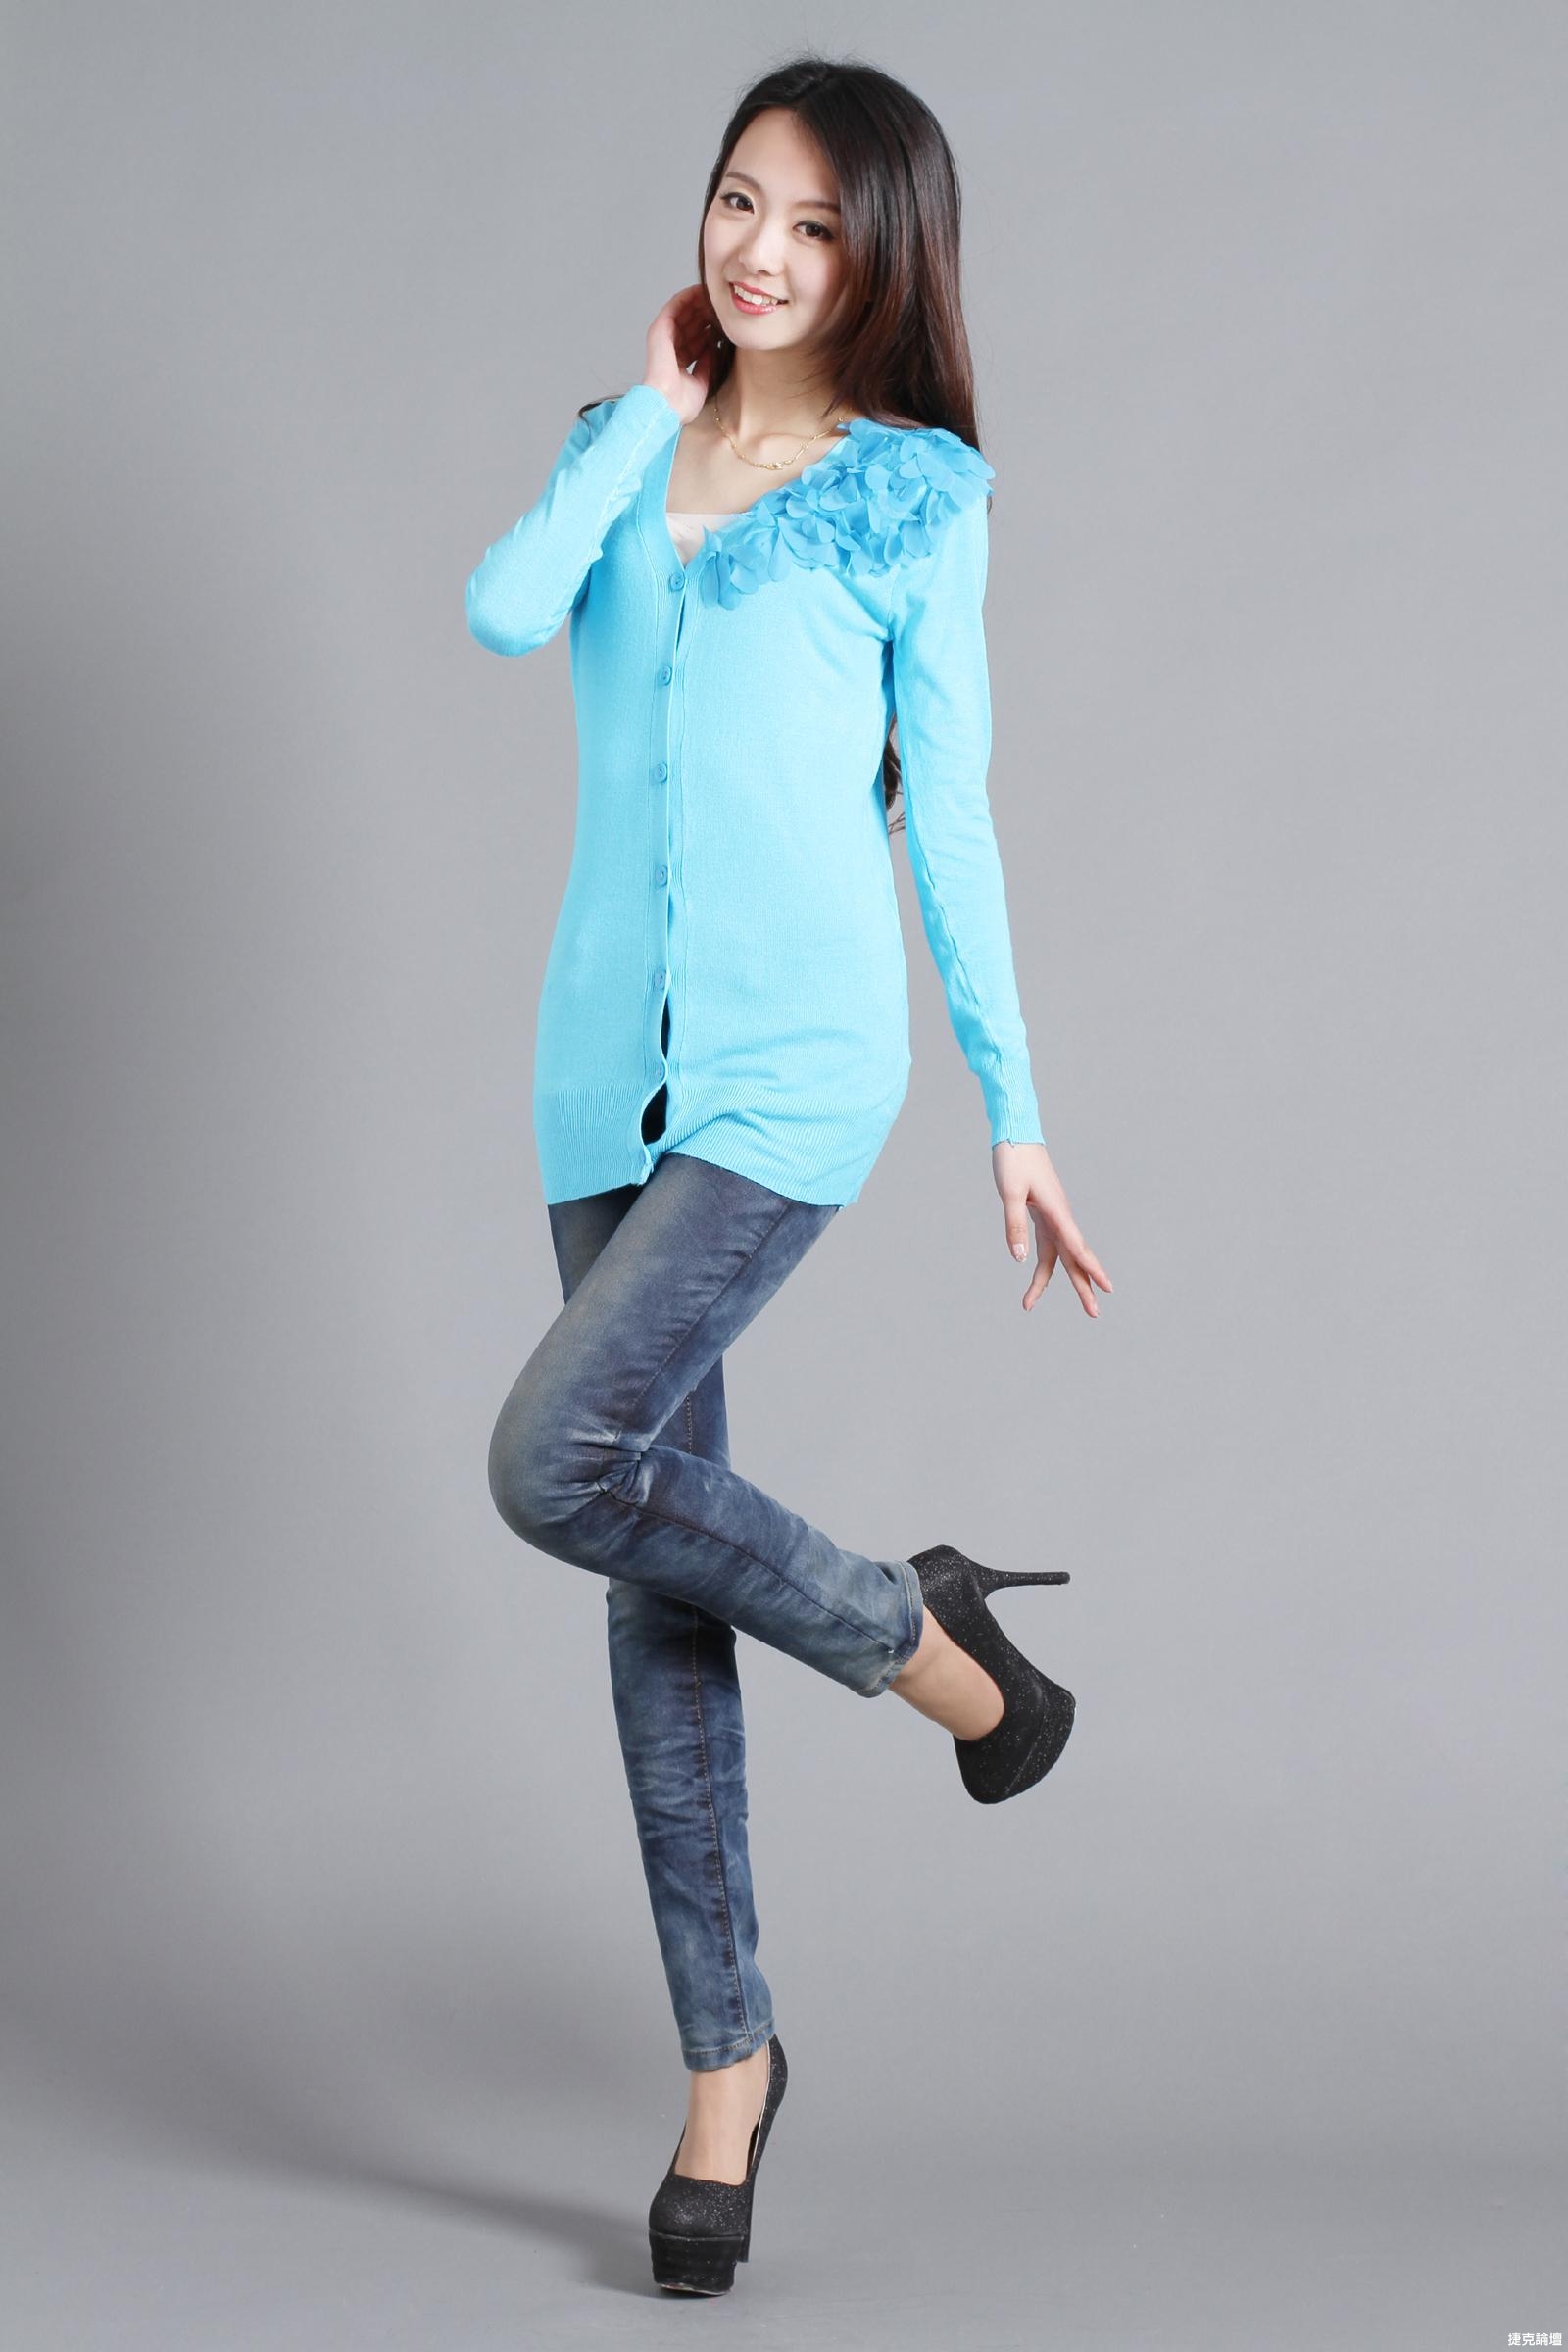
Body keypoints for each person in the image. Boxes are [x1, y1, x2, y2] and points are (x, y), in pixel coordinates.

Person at [465, 55, 1112, 2298]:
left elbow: (954, 813)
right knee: (651, 1575)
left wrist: (1014, 1108)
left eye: (815, 224)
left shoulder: (913, 496)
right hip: (595, 1080)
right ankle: (725, 2070)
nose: (760, 250)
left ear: (881, 257)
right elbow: (501, 609)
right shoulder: (615, 444)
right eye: (738, 200)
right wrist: (636, 422)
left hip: (794, 1072)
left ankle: (918, 1644)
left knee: (557, 1465)